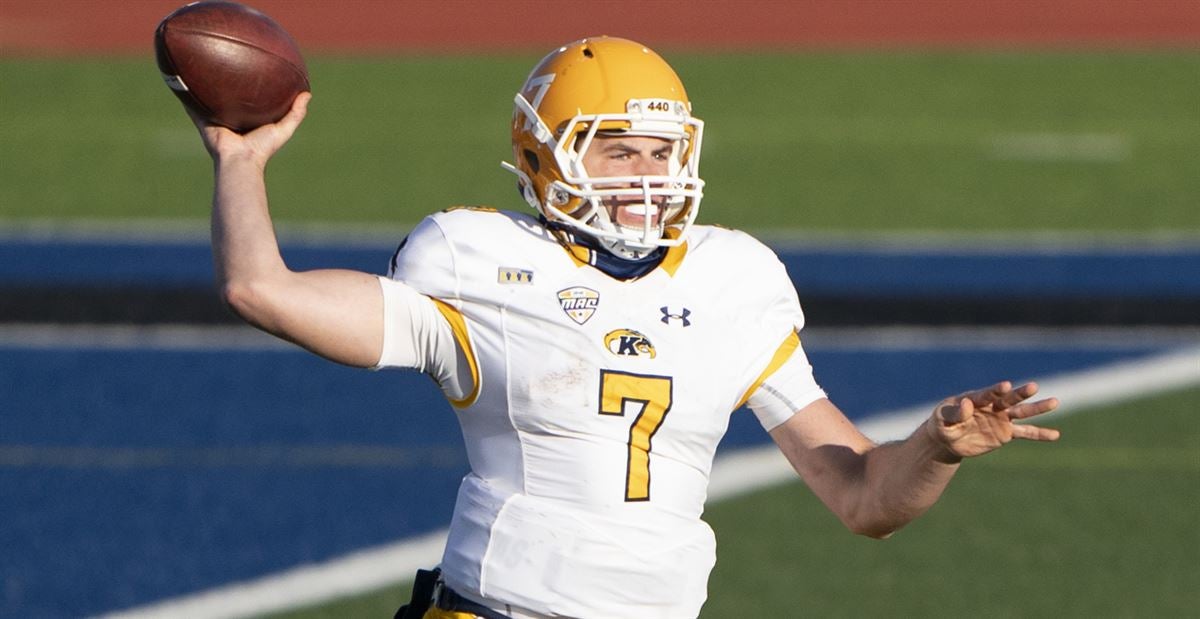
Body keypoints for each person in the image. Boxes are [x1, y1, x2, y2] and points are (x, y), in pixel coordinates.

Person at [187, 36, 1060, 619]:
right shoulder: (477, 259)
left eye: (661, 151)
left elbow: (866, 497)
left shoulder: (734, 278)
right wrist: (241, 162)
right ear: (544, 155)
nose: (647, 175)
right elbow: (261, 289)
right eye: (617, 149)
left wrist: (936, 448)